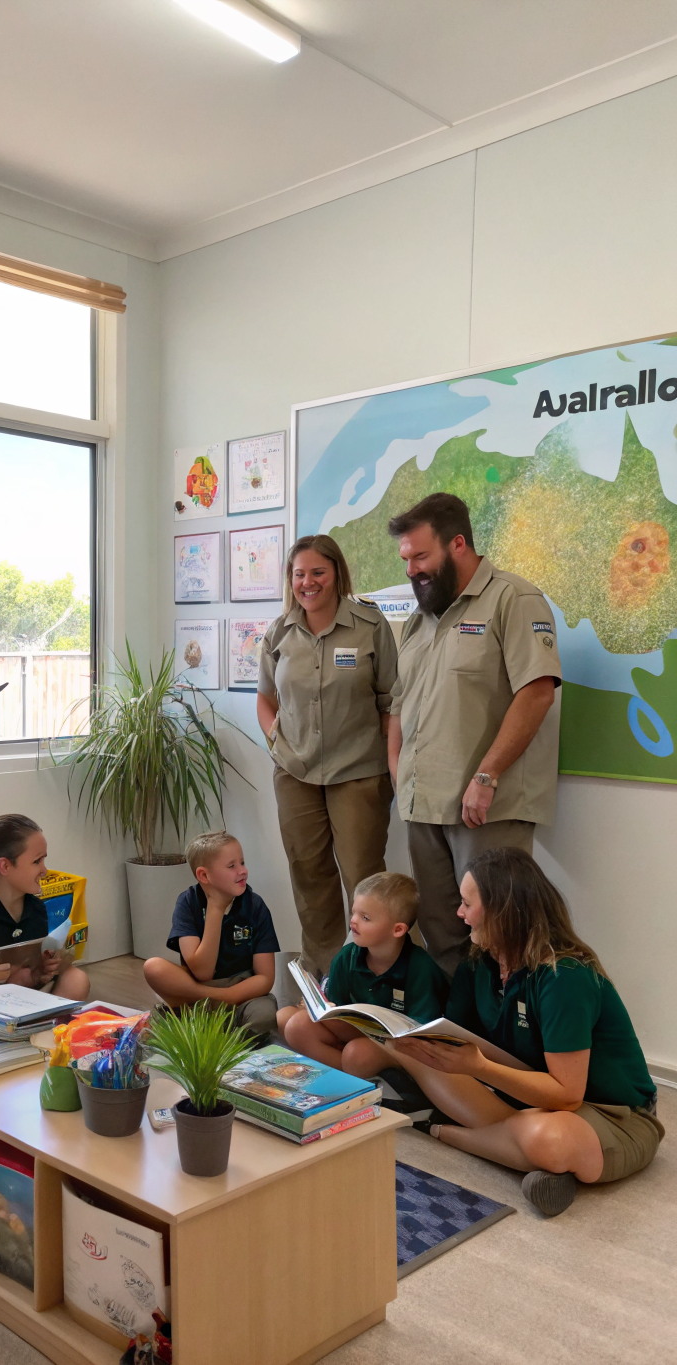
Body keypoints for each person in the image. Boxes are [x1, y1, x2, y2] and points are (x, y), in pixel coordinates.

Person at [392, 848, 663, 1217]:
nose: (459, 913)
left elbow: (568, 1096)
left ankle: (448, 1133)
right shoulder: (481, 962)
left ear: (502, 911)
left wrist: (480, 1069)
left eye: (467, 904)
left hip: (614, 1114)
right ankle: (537, 1162)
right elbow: (459, 1035)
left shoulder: (564, 976)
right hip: (530, 1097)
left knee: (545, 1138)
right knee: (422, 1055)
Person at [387, 493, 561, 976]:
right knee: (442, 933)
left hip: (486, 808)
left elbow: (537, 693)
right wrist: (399, 771)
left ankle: (502, 1044)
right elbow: (400, 703)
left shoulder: (514, 599)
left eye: (421, 556)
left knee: (501, 935)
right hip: (423, 804)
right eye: (406, 559)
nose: (411, 570)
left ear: (458, 543)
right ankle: (450, 1041)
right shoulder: (420, 618)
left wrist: (486, 777)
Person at [257, 534, 397, 979]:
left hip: (358, 774)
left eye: (318, 572)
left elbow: (390, 701)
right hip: (295, 774)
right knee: (309, 879)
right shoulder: (278, 631)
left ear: (336, 573)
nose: (308, 582)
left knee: (365, 883)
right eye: (299, 574)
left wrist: (390, 766)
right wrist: (276, 739)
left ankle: (376, 981)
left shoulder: (369, 626)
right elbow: (265, 698)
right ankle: (324, 980)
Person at [278, 872, 447, 1080]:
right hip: (355, 1036)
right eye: (354, 913)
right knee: (292, 1023)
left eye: (365, 918)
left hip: (399, 1046)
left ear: (398, 930)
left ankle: (357, 1074)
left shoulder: (421, 968)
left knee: (357, 1055)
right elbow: (336, 1012)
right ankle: (353, 1078)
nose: (353, 922)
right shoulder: (345, 958)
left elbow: (422, 1034)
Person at [143, 831, 280, 1043]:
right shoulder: (188, 903)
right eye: (232, 866)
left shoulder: (255, 905)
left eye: (242, 862)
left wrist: (228, 997)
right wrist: (215, 909)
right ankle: (212, 1023)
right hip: (200, 987)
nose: (243, 871)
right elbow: (203, 972)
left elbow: (265, 978)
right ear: (204, 876)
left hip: (240, 992)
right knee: (153, 967)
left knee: (264, 1016)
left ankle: (195, 1020)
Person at [0, 814, 90, 1000]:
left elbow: (31, 975)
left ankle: (47, 1025)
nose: (44, 870)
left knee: (76, 979)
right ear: (5, 866)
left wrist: (43, 971)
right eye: (37, 861)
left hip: (23, 994)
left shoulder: (36, 909)